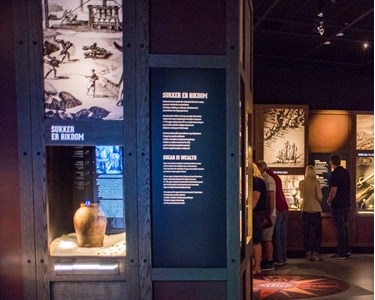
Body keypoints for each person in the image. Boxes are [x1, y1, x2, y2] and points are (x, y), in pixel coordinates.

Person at [259, 160, 289, 267]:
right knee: (282, 234)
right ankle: (283, 257)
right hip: (284, 206)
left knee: (274, 236)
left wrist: (270, 211)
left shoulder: (267, 178)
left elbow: (271, 197)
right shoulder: (276, 176)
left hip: (277, 209)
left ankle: (278, 258)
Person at [327, 154, 351, 259]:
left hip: (338, 204)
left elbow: (334, 190)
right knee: (344, 227)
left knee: (339, 228)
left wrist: (329, 200)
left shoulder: (334, 174)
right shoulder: (345, 172)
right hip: (346, 203)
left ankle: (341, 252)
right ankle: (347, 250)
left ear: (331, 163)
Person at [299, 165, 323, 262]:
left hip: (305, 208)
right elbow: (319, 196)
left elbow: (301, 195)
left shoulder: (301, 182)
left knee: (306, 233)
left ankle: (308, 252)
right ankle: (316, 253)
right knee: (317, 233)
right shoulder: (316, 182)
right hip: (315, 209)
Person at [256, 161, 276, 271]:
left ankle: (269, 261)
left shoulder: (267, 180)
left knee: (267, 238)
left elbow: (271, 198)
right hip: (265, 213)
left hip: (267, 214)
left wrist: (269, 214)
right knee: (264, 238)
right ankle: (266, 260)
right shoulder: (265, 179)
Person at [252, 163, 268, 275]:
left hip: (256, 214)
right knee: (256, 240)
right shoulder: (259, 180)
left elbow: (255, 197)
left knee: (256, 240)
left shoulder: (256, 181)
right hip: (258, 213)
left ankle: (257, 266)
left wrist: (247, 211)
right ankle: (256, 265)